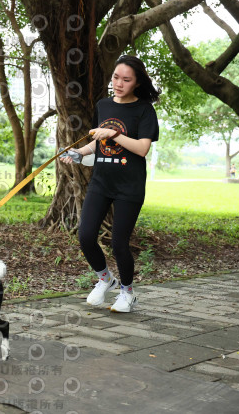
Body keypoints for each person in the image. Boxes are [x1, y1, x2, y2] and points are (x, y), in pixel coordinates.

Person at [60, 55, 160, 313]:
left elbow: (142, 148)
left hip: (130, 185)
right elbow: (99, 141)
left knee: (119, 243)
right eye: (116, 77)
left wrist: (115, 133)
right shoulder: (103, 105)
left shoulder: (144, 110)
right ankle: (106, 279)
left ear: (137, 83)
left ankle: (128, 292)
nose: (119, 83)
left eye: (126, 80)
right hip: (101, 181)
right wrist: (79, 153)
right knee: (85, 236)